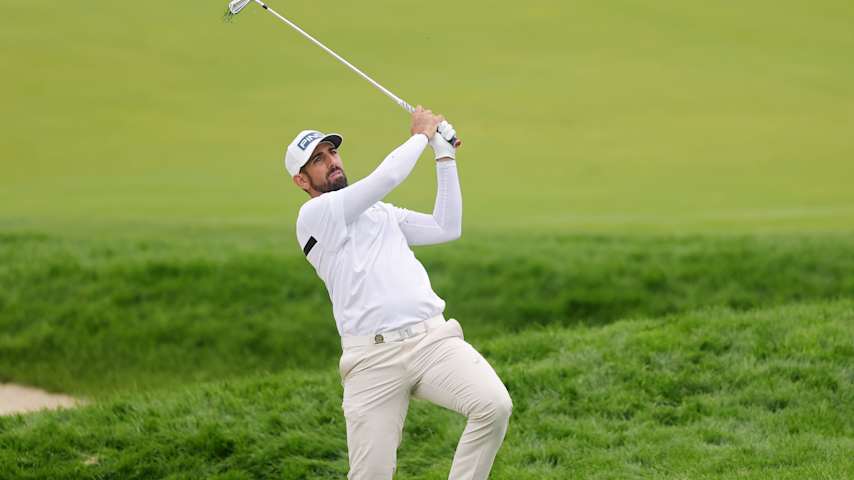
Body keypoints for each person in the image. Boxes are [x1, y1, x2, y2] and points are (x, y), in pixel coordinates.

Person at [286, 106, 512, 480]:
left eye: (332, 153)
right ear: (301, 180)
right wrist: (421, 134)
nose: (332, 162)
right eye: (318, 160)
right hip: (372, 362)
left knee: (494, 406)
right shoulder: (314, 218)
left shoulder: (381, 214)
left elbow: (446, 226)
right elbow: (387, 175)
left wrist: (444, 156)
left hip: (432, 341)